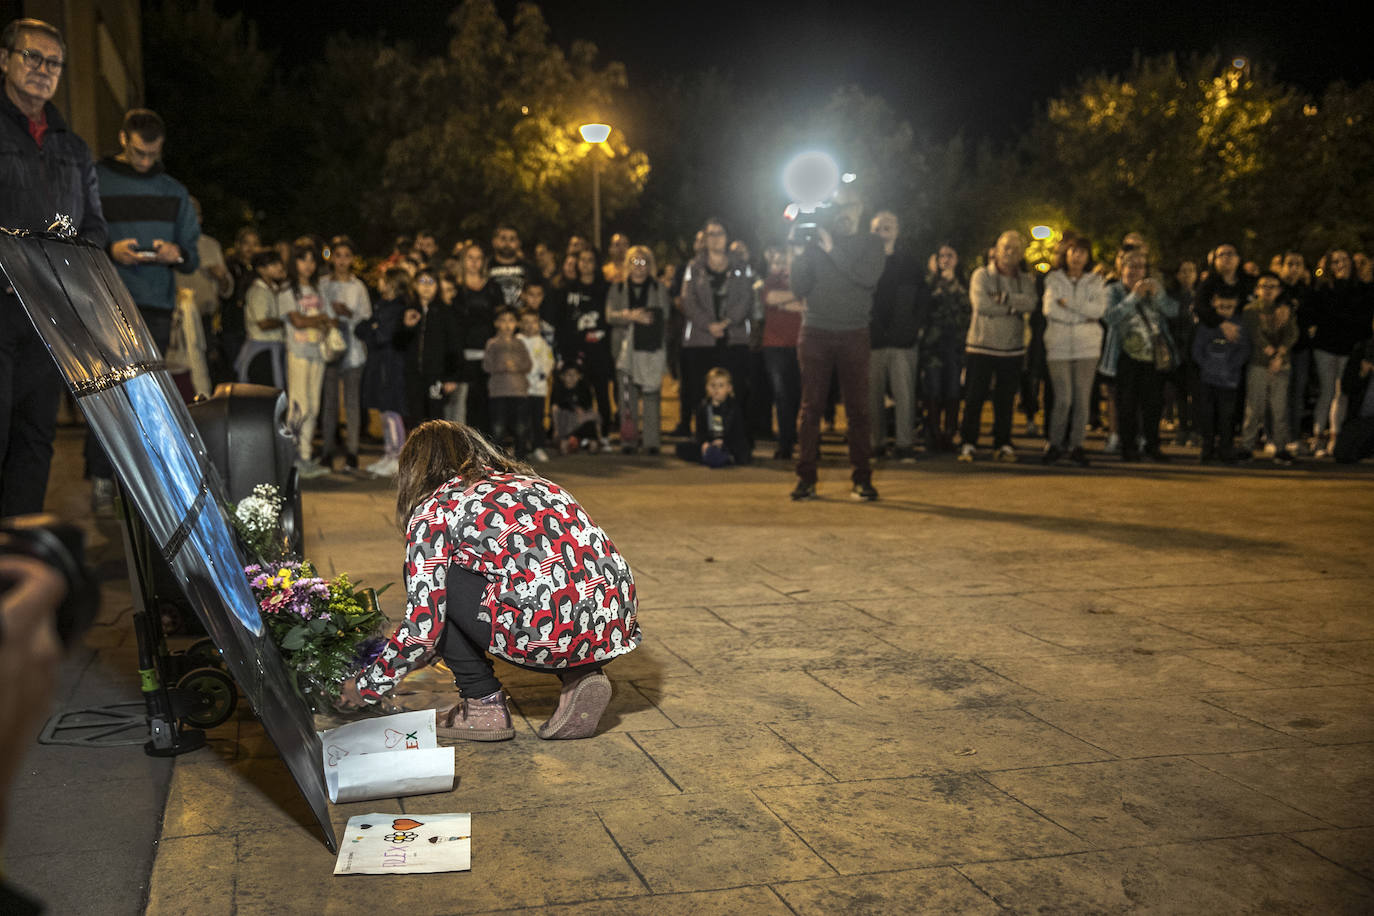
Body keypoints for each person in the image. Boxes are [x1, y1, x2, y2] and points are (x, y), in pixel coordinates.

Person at [336, 420, 640, 740]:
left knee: (432, 582)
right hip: (616, 620)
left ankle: (482, 705)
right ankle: (582, 674)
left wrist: (365, 687)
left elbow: (422, 631)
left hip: (548, 629)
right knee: (550, 581)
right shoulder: (535, 483)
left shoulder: (435, 509)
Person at [958, 231, 1037, 463]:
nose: (1009, 252)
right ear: (995, 250)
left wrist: (1002, 299)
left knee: (1005, 400)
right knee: (975, 398)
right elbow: (982, 305)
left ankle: (1002, 443)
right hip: (981, 346)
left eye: (1015, 248)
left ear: (1022, 253)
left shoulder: (1026, 280)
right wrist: (1015, 307)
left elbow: (1031, 303)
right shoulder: (981, 275)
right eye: (1005, 247)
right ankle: (968, 442)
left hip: (1012, 348)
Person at [680, 219, 755, 442]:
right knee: (701, 391)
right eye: (710, 234)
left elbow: (746, 298)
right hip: (702, 340)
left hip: (734, 337)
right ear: (705, 239)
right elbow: (687, 300)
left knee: (738, 390)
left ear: (727, 236)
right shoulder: (694, 267)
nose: (715, 238)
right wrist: (708, 325)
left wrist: (727, 322)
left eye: (719, 233)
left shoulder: (741, 267)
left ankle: (738, 438)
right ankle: (704, 438)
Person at [1101, 250, 1179, 462]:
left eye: (1140, 266)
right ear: (1122, 269)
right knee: (1126, 403)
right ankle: (1129, 446)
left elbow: (1173, 311)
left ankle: (1152, 445)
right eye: (1131, 266)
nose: (1136, 270)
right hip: (1125, 355)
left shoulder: (1154, 289)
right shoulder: (1114, 290)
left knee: (1153, 403)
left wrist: (1159, 297)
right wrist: (1134, 296)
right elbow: (1109, 317)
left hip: (1152, 356)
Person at [1041, 235, 1107, 466]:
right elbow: (1050, 310)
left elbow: (1098, 310)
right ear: (1065, 254)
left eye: (1082, 252)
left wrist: (1069, 304)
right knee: (1063, 398)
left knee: (1082, 398)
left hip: (1087, 346)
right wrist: (1081, 313)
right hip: (1058, 344)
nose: (1077, 256)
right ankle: (1054, 442)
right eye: (1073, 251)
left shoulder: (1095, 281)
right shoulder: (1053, 279)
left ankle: (1077, 444)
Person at [866, 211, 926, 462]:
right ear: (872, 232)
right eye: (879, 227)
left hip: (902, 340)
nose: (884, 230)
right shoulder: (865, 262)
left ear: (898, 230)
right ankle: (875, 443)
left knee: (904, 395)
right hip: (872, 339)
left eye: (889, 226)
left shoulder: (910, 263)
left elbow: (922, 299)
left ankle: (904, 444)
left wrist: (914, 328)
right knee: (872, 395)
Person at [1310, 250, 1374, 457]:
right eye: (1335, 261)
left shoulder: (1361, 289)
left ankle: (1335, 438)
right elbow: (1317, 315)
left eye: (1344, 260)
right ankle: (1318, 435)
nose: (1340, 264)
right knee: (1327, 392)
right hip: (1326, 347)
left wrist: (1365, 354)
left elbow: (1364, 321)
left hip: (1350, 349)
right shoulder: (1322, 288)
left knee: (1342, 393)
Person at [606, 245, 668, 454]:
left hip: (649, 348)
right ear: (627, 265)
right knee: (626, 395)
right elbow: (609, 315)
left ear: (649, 265)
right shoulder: (618, 288)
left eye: (643, 262)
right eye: (634, 262)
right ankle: (628, 440)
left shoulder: (658, 288)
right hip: (624, 349)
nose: (639, 267)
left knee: (651, 393)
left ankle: (651, 442)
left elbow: (664, 314)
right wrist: (629, 316)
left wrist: (646, 318)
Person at [317, 236, 372, 472]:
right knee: (329, 402)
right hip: (330, 346)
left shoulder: (358, 286)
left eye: (346, 256)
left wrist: (349, 313)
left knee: (351, 403)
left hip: (353, 348)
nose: (342, 261)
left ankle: (352, 451)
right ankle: (327, 449)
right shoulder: (323, 284)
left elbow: (366, 317)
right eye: (338, 256)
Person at [281, 242, 332, 478]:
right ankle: (290, 458)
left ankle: (305, 456)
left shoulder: (318, 289)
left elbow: (332, 320)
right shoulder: (287, 290)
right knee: (298, 406)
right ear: (294, 262)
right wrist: (319, 319)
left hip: (317, 353)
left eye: (312, 260)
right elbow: (297, 321)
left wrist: (319, 319)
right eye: (303, 259)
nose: (308, 265)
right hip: (298, 353)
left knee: (313, 407)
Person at [1236, 272, 1297, 462]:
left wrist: (1280, 354)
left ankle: (1280, 447)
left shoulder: (1285, 310)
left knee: (1279, 408)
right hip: (1258, 363)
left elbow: (1292, 333)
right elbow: (1256, 336)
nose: (1268, 290)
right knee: (1254, 406)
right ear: (1257, 290)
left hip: (1281, 364)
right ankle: (1247, 445)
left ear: (1279, 290)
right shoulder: (1250, 310)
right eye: (1264, 286)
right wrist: (1272, 354)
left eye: (1272, 286)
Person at [359, 267, 414, 478]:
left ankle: (398, 455)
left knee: (391, 410)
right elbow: (363, 328)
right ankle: (388, 453)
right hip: (380, 362)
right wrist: (371, 328)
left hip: (390, 364)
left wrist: (372, 329)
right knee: (384, 411)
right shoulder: (381, 305)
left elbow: (380, 335)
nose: (379, 282)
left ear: (391, 283)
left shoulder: (397, 308)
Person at [556, 248, 613, 443]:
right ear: (577, 263)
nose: (586, 264)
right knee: (578, 393)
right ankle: (581, 434)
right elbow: (563, 322)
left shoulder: (605, 288)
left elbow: (609, 319)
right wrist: (564, 351)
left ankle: (604, 433)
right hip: (575, 352)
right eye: (583, 260)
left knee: (602, 393)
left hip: (599, 351)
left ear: (596, 264)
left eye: (590, 260)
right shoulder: (569, 289)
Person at [921, 244, 971, 453]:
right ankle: (933, 434)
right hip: (932, 348)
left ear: (957, 259)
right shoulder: (929, 284)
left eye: (950, 255)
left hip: (955, 347)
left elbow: (968, 313)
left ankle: (950, 433)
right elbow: (922, 308)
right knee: (932, 391)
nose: (945, 259)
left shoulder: (964, 284)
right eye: (941, 255)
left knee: (952, 390)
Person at [1192, 296, 1250, 463]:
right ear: (1215, 306)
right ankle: (1207, 448)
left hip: (1229, 380)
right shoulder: (1206, 325)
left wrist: (1230, 367)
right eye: (1221, 307)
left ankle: (1226, 448)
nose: (1225, 310)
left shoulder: (1240, 326)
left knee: (1227, 416)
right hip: (1208, 379)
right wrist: (1208, 366)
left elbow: (1244, 350)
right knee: (1207, 416)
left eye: (1229, 306)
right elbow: (1197, 350)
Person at [759, 245, 803, 461]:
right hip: (775, 347)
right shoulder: (771, 280)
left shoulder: (806, 277)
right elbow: (770, 298)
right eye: (780, 261)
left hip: (803, 345)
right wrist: (797, 297)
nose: (784, 264)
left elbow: (810, 305)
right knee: (782, 397)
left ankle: (806, 441)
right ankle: (785, 444)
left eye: (787, 259)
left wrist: (785, 303)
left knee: (803, 397)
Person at [453, 242, 503, 431]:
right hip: (464, 352)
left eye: (478, 258)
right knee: (466, 402)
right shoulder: (456, 288)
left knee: (487, 401)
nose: (474, 262)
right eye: (470, 258)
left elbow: (500, 318)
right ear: (463, 260)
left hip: (489, 352)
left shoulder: (492, 287)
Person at [484, 306, 534, 458]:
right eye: (503, 321)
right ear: (496, 323)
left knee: (520, 427)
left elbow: (528, 364)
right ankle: (497, 458)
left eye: (511, 321)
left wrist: (515, 366)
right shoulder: (492, 343)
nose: (507, 325)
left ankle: (521, 457)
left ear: (517, 324)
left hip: (519, 391)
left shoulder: (519, 343)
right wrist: (501, 366)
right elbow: (486, 365)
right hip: (498, 392)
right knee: (498, 428)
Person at [676, 367, 750, 467]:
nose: (716, 389)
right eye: (713, 385)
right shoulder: (703, 407)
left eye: (721, 386)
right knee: (682, 448)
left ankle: (721, 456)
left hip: (728, 442)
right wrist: (705, 443)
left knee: (742, 449)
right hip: (710, 442)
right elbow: (700, 432)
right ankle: (714, 456)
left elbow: (738, 433)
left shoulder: (734, 408)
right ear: (707, 387)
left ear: (729, 388)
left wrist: (723, 441)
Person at [235, 250, 287, 387]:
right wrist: (284, 322)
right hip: (263, 351)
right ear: (261, 269)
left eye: (279, 263)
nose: (279, 267)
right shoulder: (258, 292)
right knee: (267, 392)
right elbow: (263, 323)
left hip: (271, 348)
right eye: (273, 264)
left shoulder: (273, 289)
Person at [1332, 315, 1374, 463]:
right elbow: (1346, 387)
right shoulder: (1363, 349)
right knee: (1343, 454)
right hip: (1363, 419)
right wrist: (1362, 375)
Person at [518, 307, 554, 462]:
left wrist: (543, 373)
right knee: (521, 421)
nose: (530, 326)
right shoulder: (517, 340)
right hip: (521, 388)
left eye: (533, 322)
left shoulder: (542, 342)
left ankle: (538, 447)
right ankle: (522, 448)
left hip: (538, 389)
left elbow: (549, 361)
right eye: (526, 322)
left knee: (537, 419)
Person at [550, 363, 601, 453]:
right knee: (559, 412)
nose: (572, 377)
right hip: (566, 422)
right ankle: (564, 443)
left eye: (575, 374)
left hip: (582, 420)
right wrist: (556, 430)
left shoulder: (584, 389)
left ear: (580, 376)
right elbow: (556, 408)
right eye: (569, 374)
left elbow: (589, 407)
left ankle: (593, 442)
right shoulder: (559, 389)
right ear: (562, 376)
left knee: (592, 416)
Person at [488, 224, 534, 308]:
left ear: (519, 243)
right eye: (503, 238)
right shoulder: (484, 268)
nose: (507, 243)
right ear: (494, 242)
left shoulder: (531, 269)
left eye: (512, 239)